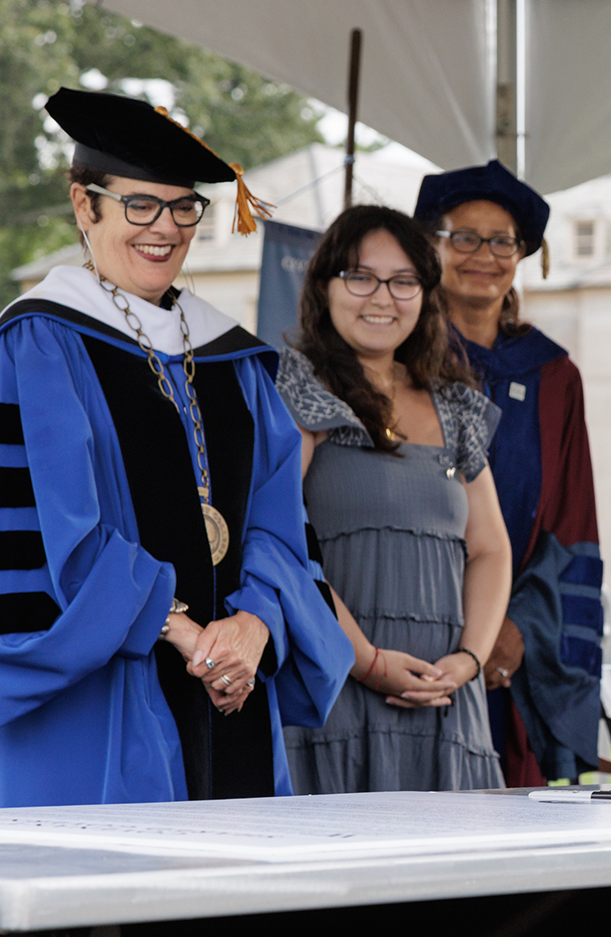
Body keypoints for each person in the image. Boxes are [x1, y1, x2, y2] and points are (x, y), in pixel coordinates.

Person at [0, 88, 352, 807]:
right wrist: (187, 634)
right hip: (97, 707)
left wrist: (254, 626)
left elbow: (281, 531)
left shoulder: (236, 362)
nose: (164, 228)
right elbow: (45, 530)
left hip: (231, 694)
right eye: (139, 205)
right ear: (82, 205)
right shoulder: (37, 344)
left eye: (182, 207)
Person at [279, 205, 510, 793]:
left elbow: (489, 549)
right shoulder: (298, 389)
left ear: (424, 295)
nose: (382, 297)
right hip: (339, 687)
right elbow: (278, 542)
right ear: (325, 286)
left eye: (403, 280)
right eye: (360, 276)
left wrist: (469, 661)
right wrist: (368, 661)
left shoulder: (454, 404)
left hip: (444, 697)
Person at [414, 162, 602, 785]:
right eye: (463, 237)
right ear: (433, 245)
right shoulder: (399, 362)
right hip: (415, 627)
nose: (483, 256)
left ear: (522, 256)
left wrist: (515, 628)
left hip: (516, 653)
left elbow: (573, 523)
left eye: (502, 242)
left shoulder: (553, 376)